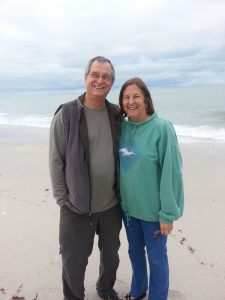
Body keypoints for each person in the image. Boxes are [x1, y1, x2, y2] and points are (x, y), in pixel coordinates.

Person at [49, 56, 122, 300]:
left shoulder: (116, 114)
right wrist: (63, 200)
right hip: (76, 206)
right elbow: (56, 159)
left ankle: (105, 288)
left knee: (111, 255)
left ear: (112, 82)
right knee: (73, 260)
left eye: (106, 77)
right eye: (96, 75)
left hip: (111, 205)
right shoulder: (67, 114)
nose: (100, 81)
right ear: (86, 78)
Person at [118, 77, 184, 300]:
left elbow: (171, 173)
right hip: (129, 210)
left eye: (136, 96)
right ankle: (138, 290)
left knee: (156, 259)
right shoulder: (123, 129)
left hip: (154, 214)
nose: (131, 101)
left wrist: (168, 213)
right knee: (134, 252)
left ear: (146, 99)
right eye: (126, 97)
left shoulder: (162, 128)